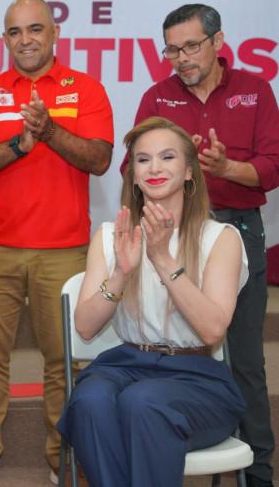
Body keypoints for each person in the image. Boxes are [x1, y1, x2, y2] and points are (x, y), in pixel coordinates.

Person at [0, 0, 113, 486]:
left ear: (54, 33)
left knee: (64, 359)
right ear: (5, 38)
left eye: (35, 29)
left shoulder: (85, 89)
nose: (25, 40)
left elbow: (99, 159)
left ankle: (64, 454)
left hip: (64, 251)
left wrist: (48, 131)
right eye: (15, 31)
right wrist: (19, 145)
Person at [133, 4, 279, 487]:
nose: (181, 58)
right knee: (173, 346)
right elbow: (131, 167)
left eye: (191, 46)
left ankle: (257, 475)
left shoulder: (255, 90)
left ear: (218, 42)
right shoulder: (157, 96)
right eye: (172, 50)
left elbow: (274, 166)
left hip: (236, 227)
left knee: (245, 360)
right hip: (174, 234)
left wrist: (224, 168)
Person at [57, 116, 248, 487]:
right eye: (143, 160)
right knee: (90, 400)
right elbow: (85, 326)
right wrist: (120, 274)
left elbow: (212, 331)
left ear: (189, 172)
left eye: (167, 157)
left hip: (196, 376)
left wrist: (162, 258)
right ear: (133, 175)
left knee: (142, 402)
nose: (154, 168)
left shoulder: (220, 237)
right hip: (126, 364)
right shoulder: (111, 236)